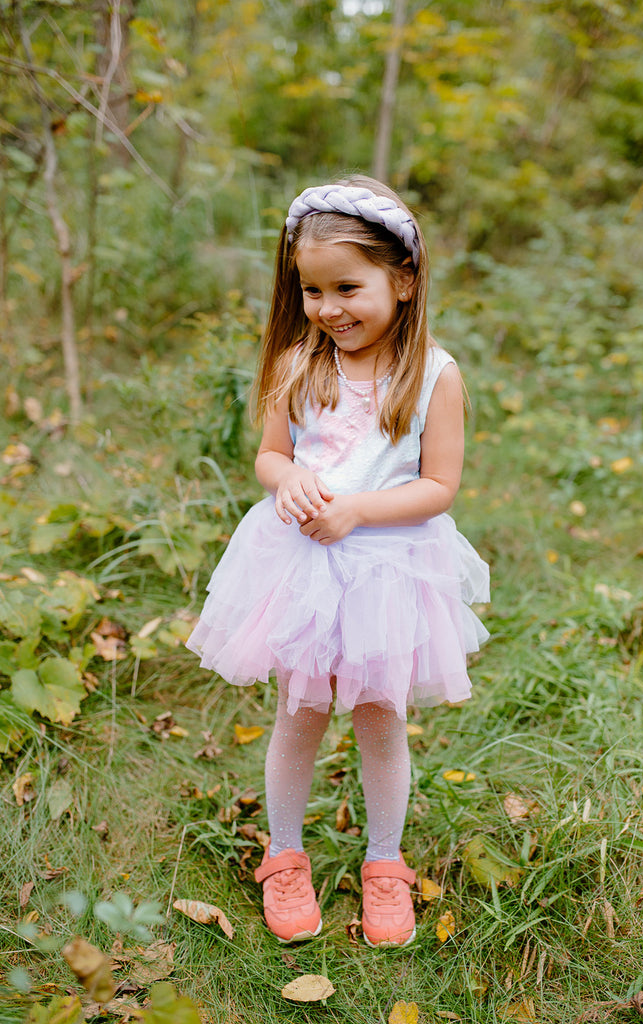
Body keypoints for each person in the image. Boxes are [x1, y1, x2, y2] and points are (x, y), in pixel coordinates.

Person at [187, 175, 489, 947]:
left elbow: (438, 485)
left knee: (381, 720)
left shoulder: (435, 375)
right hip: (302, 571)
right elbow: (268, 456)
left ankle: (385, 865)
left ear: (405, 278)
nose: (329, 308)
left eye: (347, 287)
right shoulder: (298, 362)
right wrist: (287, 479)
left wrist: (357, 509)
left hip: (389, 570)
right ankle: (284, 856)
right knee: (300, 713)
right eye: (311, 290)